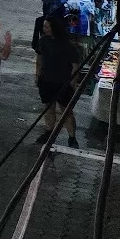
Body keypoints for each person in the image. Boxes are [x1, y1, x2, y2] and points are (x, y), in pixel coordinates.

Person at [34, 12, 79, 148]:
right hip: (46, 81)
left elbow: (75, 65)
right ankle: (49, 132)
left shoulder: (69, 45)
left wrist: (72, 82)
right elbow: (39, 59)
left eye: (47, 27)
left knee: (66, 111)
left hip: (62, 83)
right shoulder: (43, 41)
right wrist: (38, 75)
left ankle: (72, 137)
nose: (44, 29)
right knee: (49, 108)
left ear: (54, 28)